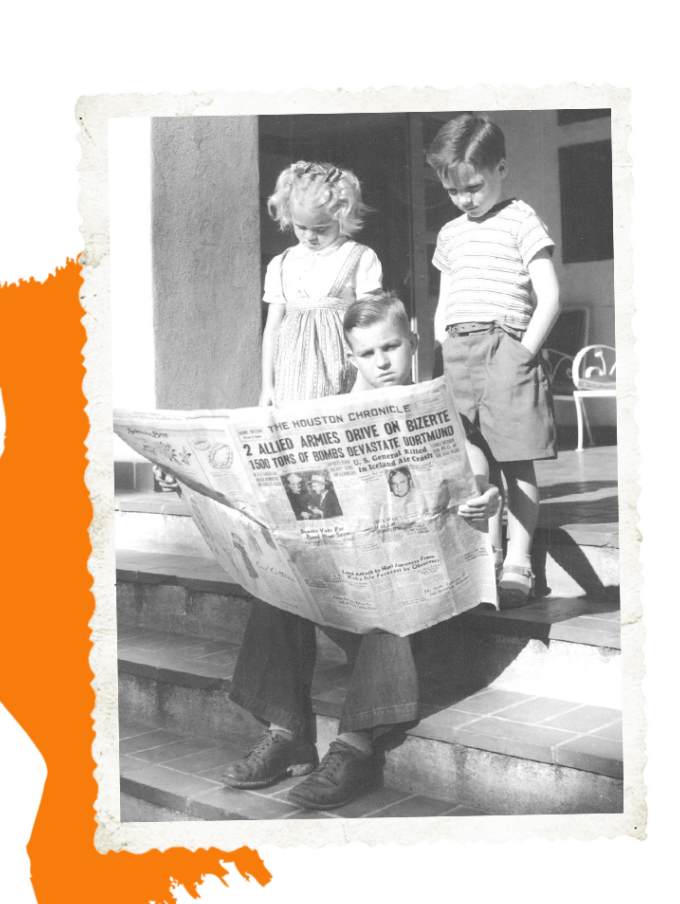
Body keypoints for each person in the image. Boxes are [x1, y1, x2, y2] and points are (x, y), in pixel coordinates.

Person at [223, 295, 502, 810]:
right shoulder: (329, 416)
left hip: (423, 596)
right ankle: (288, 733)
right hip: (354, 581)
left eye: (392, 347)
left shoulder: (433, 405)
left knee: (389, 598)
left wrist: (482, 494)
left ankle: (353, 745)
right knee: (278, 586)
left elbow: (474, 460)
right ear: (351, 359)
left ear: (412, 342)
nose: (382, 362)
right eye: (368, 353)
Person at [427, 114, 561, 608]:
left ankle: (519, 562)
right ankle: (488, 552)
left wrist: (522, 353)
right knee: (471, 458)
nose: (465, 199)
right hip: (458, 349)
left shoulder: (521, 218)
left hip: (505, 345)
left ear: (501, 167)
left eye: (475, 186)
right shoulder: (450, 233)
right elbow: (445, 299)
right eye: (453, 190)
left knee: (515, 459)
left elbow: (549, 295)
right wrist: (443, 342)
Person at [260, 161, 383, 407]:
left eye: (320, 228)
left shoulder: (358, 256)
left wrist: (365, 380)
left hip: (341, 370)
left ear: (342, 216)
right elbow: (273, 327)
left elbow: (371, 323)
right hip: (291, 376)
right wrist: (268, 386)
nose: (309, 236)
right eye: (301, 227)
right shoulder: (281, 264)